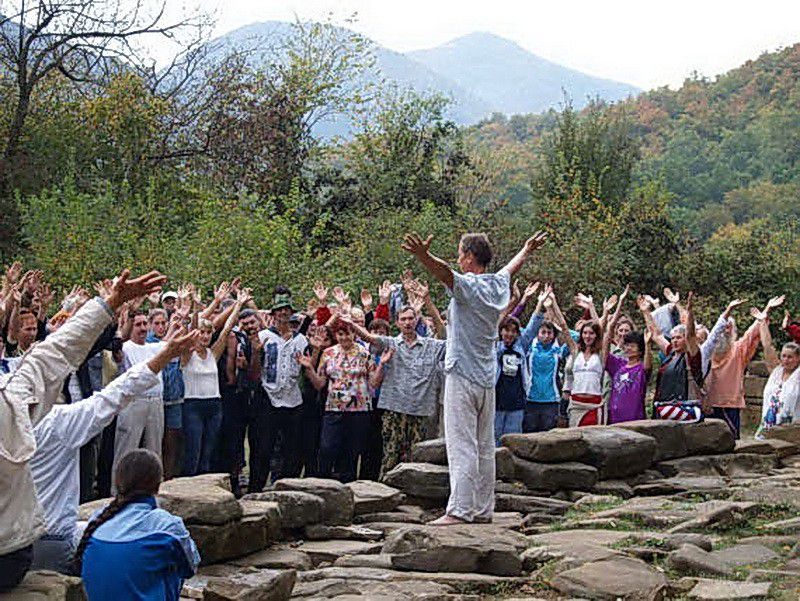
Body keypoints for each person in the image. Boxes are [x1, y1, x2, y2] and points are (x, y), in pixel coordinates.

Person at [0, 269, 165, 592]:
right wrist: (111, 302)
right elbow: (55, 354)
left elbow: (50, 353)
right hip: (10, 555)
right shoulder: (17, 407)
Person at [402, 229, 547, 525]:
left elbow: (445, 273)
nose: (458, 258)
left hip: (462, 375)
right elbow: (510, 267)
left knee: (461, 444)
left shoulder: (468, 286)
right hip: (485, 376)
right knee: (484, 445)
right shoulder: (496, 285)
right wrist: (526, 249)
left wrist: (423, 256)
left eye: (460, 253)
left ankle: (459, 510)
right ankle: (482, 509)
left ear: (469, 257)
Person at [29, 331, 198, 574]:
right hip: (51, 544)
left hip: (12, 542)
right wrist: (165, 355)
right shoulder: (55, 423)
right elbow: (115, 394)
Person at [75, 449, 200, 600]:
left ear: (118, 482)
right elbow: (191, 566)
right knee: (172, 563)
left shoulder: (98, 518)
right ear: (158, 484)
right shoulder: (166, 526)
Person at [343, 296, 447, 476]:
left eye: (410, 318)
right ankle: (386, 495)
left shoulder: (431, 346)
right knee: (390, 456)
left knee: (416, 459)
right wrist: (351, 324)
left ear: (416, 320)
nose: (407, 322)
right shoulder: (389, 343)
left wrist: (429, 303)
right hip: (393, 409)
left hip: (420, 412)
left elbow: (444, 335)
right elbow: (368, 337)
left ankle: (412, 497)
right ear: (397, 323)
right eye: (403, 319)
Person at [247, 289, 308, 493]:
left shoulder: (301, 340)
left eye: (286, 310)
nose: (283, 314)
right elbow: (254, 375)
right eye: (279, 310)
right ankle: (255, 489)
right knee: (263, 449)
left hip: (293, 400)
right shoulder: (263, 337)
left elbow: (307, 370)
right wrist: (256, 352)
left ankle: (286, 489)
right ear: (272, 314)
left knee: (292, 449)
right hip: (268, 398)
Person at [299, 319, 373, 483]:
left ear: (354, 333)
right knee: (327, 447)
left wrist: (382, 364)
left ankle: (349, 488)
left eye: (348, 333)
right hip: (334, 408)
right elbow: (319, 384)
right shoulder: (328, 353)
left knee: (351, 452)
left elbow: (374, 382)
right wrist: (309, 368)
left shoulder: (365, 353)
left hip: (359, 410)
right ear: (335, 335)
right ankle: (323, 485)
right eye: (340, 334)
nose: (344, 337)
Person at [181, 291, 246, 476]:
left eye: (208, 333)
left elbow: (226, 330)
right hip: (193, 405)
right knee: (193, 451)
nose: (205, 336)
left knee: (208, 452)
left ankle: (206, 488)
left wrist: (238, 304)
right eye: (202, 332)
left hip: (214, 405)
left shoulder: (213, 353)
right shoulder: (187, 354)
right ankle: (189, 487)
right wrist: (195, 307)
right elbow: (191, 331)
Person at [641, 292, 704, 422]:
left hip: (684, 410)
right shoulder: (670, 353)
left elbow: (691, 335)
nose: (674, 341)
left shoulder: (691, 357)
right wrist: (646, 312)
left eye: (679, 338)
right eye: (673, 338)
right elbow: (656, 335)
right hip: (664, 408)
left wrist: (690, 312)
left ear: (685, 339)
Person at [753, 306, 800, 438]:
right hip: (767, 427)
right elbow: (767, 346)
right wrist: (762, 322)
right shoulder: (776, 371)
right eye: (784, 356)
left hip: (790, 431)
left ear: (798, 359)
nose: (786, 360)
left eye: (790, 357)